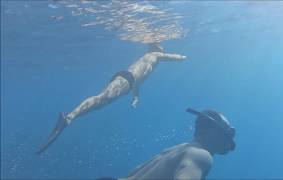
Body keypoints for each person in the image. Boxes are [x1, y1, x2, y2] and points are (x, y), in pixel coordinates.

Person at [36, 43, 187, 154]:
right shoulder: (154, 55)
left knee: (100, 104)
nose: (163, 49)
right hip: (126, 80)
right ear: (156, 48)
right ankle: (70, 117)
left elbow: (137, 83)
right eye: (161, 47)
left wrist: (135, 98)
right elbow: (169, 57)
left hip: (127, 81)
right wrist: (181, 57)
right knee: (100, 99)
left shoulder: (148, 62)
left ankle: (70, 118)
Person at [98, 108, 236, 180]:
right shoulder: (202, 155)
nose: (230, 138)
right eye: (228, 131)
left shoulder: (178, 149)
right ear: (212, 130)